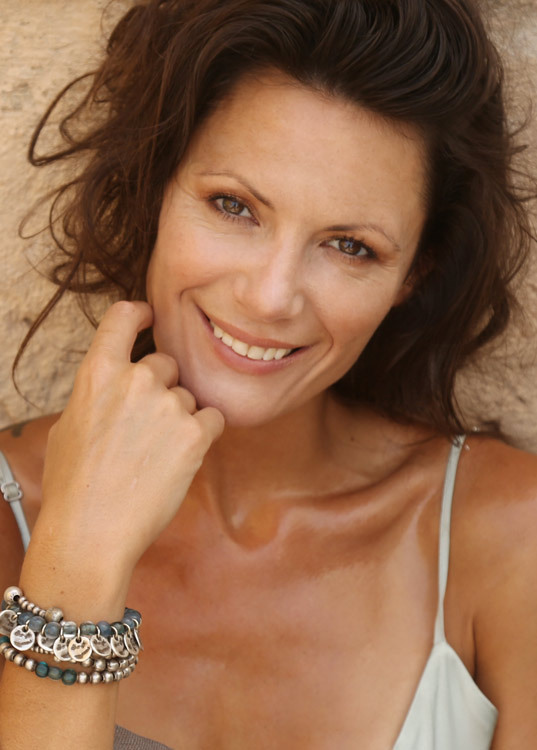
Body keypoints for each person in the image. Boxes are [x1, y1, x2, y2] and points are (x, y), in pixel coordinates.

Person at [0, 0, 536, 747]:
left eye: (350, 246)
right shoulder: (12, 517)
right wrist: (75, 563)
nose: (270, 296)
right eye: (233, 206)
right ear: (156, 188)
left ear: (414, 274)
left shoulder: (508, 537)